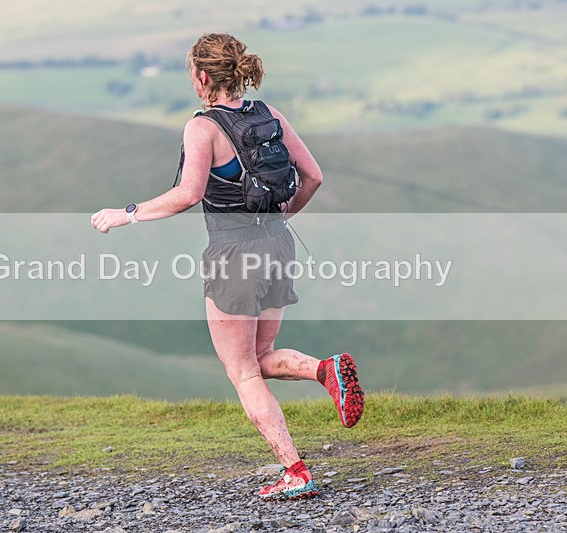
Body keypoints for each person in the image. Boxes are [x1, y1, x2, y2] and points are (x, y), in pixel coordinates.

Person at [91, 32, 364, 500]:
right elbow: (313, 176)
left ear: (201, 77)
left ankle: (295, 471)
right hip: (279, 243)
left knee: (242, 371)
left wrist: (128, 213)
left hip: (234, 254)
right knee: (259, 356)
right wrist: (277, 222)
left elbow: (189, 193)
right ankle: (326, 370)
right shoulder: (269, 114)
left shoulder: (203, 128)